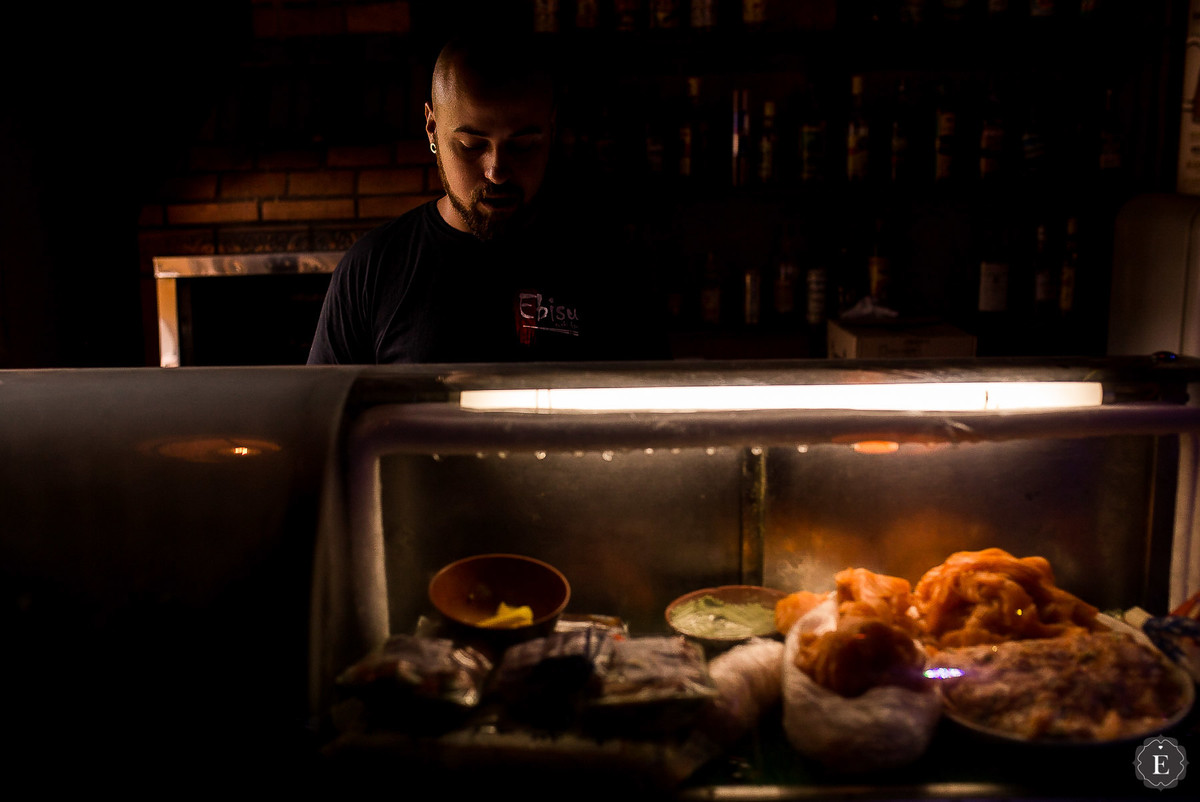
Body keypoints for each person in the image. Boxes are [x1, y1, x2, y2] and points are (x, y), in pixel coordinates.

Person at [307, 32, 670, 365]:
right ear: (432, 127)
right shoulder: (372, 269)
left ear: (552, 130)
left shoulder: (609, 265)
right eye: (471, 145)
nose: (497, 170)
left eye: (524, 146)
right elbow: (321, 420)